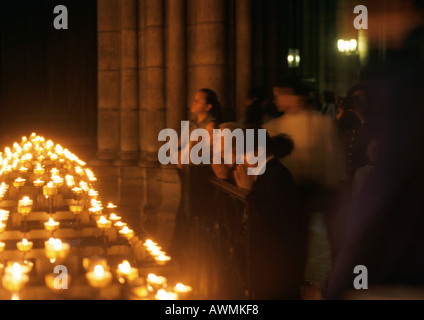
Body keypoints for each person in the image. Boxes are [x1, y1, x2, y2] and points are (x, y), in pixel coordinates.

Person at [324, 0, 424, 299]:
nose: (355, 20)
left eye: (365, 9)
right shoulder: (403, 70)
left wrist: (344, 278)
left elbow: (390, 181)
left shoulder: (408, 77)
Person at [233, 129, 308, 299]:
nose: (241, 160)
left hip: (276, 262)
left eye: (243, 154)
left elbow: (269, 220)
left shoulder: (276, 176)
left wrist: (247, 193)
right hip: (269, 261)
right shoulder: (264, 171)